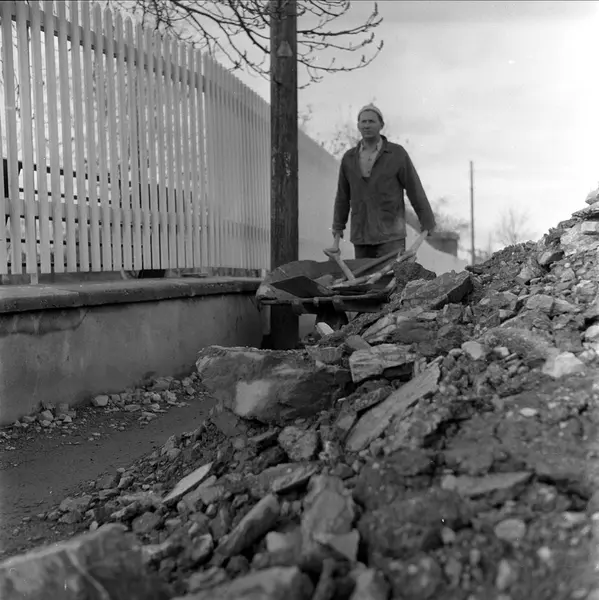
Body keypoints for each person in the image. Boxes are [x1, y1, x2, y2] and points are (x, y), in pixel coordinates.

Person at [330, 103, 436, 259]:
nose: (367, 125)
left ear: (381, 125)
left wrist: (427, 221)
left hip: (391, 235)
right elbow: (342, 196)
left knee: (392, 274)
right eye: (363, 121)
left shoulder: (396, 154)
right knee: (363, 274)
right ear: (358, 125)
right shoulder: (349, 158)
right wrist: (338, 226)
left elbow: (414, 188)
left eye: (371, 121)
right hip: (362, 236)